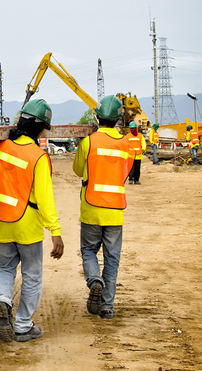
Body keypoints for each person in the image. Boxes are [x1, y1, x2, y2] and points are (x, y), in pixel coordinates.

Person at [0, 99, 64, 343]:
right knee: (31, 275)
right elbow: (45, 199)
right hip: (28, 226)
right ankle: (22, 325)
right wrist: (56, 231)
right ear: (40, 128)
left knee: (4, 269)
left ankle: (3, 301)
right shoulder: (38, 156)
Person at [73, 95, 135, 320]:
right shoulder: (127, 145)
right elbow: (126, 173)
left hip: (91, 208)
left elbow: (78, 170)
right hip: (115, 211)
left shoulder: (88, 142)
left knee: (89, 251)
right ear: (119, 119)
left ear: (97, 117)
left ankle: (94, 280)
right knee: (112, 259)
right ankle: (107, 307)